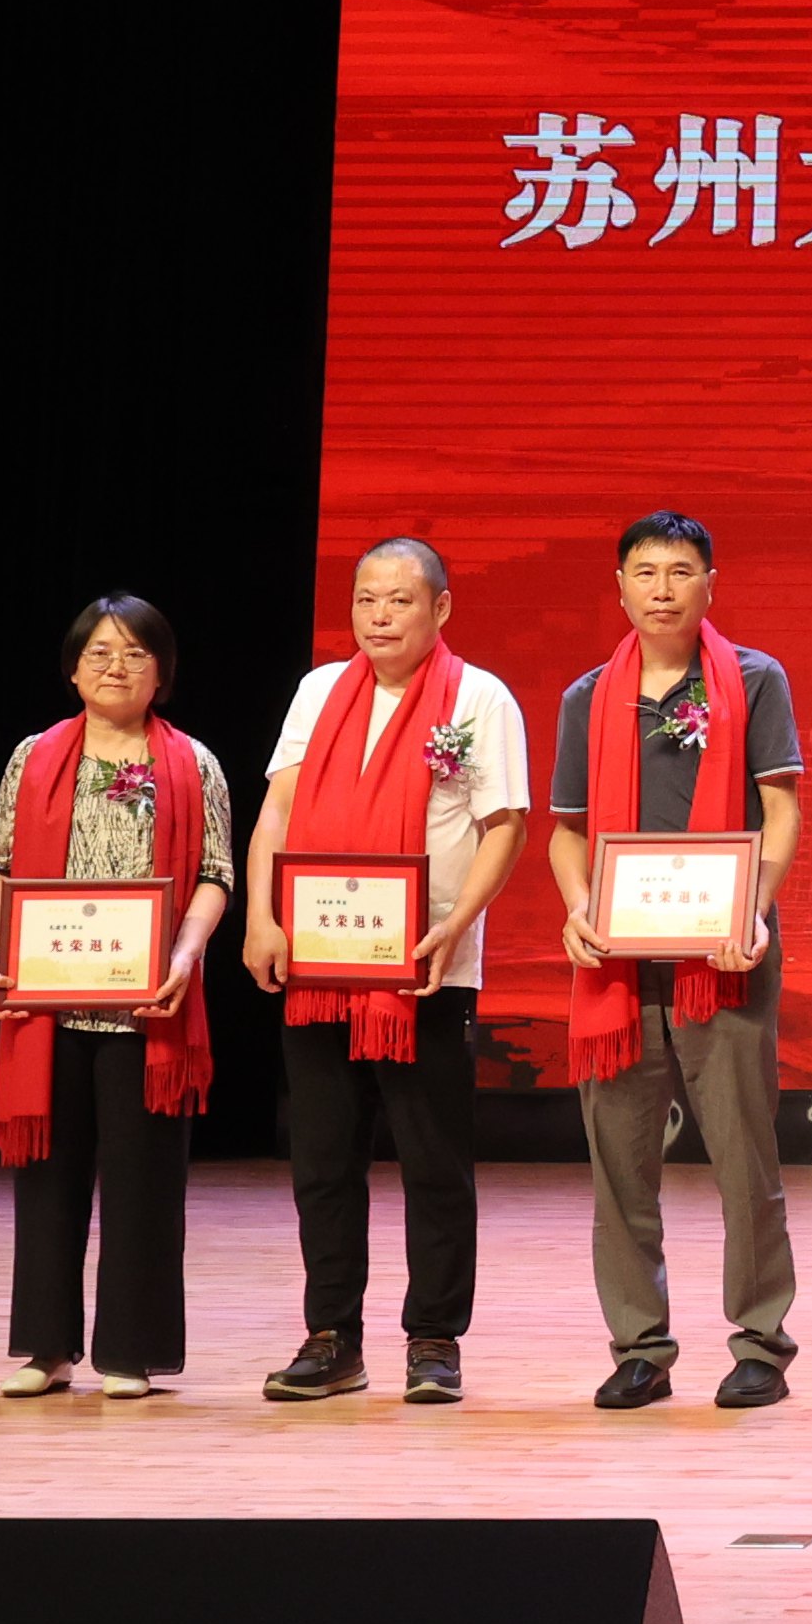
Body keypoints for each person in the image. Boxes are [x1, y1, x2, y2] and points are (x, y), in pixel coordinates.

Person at [241, 537, 528, 1406]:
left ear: (439, 608)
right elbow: (277, 811)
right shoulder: (319, 690)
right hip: (321, 962)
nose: (379, 616)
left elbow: (505, 826)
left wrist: (456, 926)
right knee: (324, 1161)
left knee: (433, 1163)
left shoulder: (479, 697)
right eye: (366, 599)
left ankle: (434, 1337)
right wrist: (261, 917)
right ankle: (331, 1336)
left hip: (427, 969)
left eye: (400, 601)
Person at [549, 511, 804, 1412]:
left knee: (745, 1162)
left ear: (710, 585)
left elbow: (781, 810)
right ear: (620, 588)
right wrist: (578, 909)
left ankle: (760, 1344)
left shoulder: (754, 680)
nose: (663, 589)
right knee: (620, 1169)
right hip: (617, 970)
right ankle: (639, 1348)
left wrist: (753, 910)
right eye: (646, 572)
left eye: (681, 571)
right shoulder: (587, 697)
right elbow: (569, 831)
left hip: (726, 956)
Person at [0, 595, 227, 1397]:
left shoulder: (194, 763)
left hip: (148, 1010)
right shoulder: (33, 756)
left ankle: (129, 1352)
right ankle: (45, 1349)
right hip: (46, 1005)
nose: (115, 667)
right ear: (73, 668)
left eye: (134, 653)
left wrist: (185, 955)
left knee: (142, 1187)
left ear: (162, 673)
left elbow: (216, 874)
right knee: (46, 1180)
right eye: (99, 652)